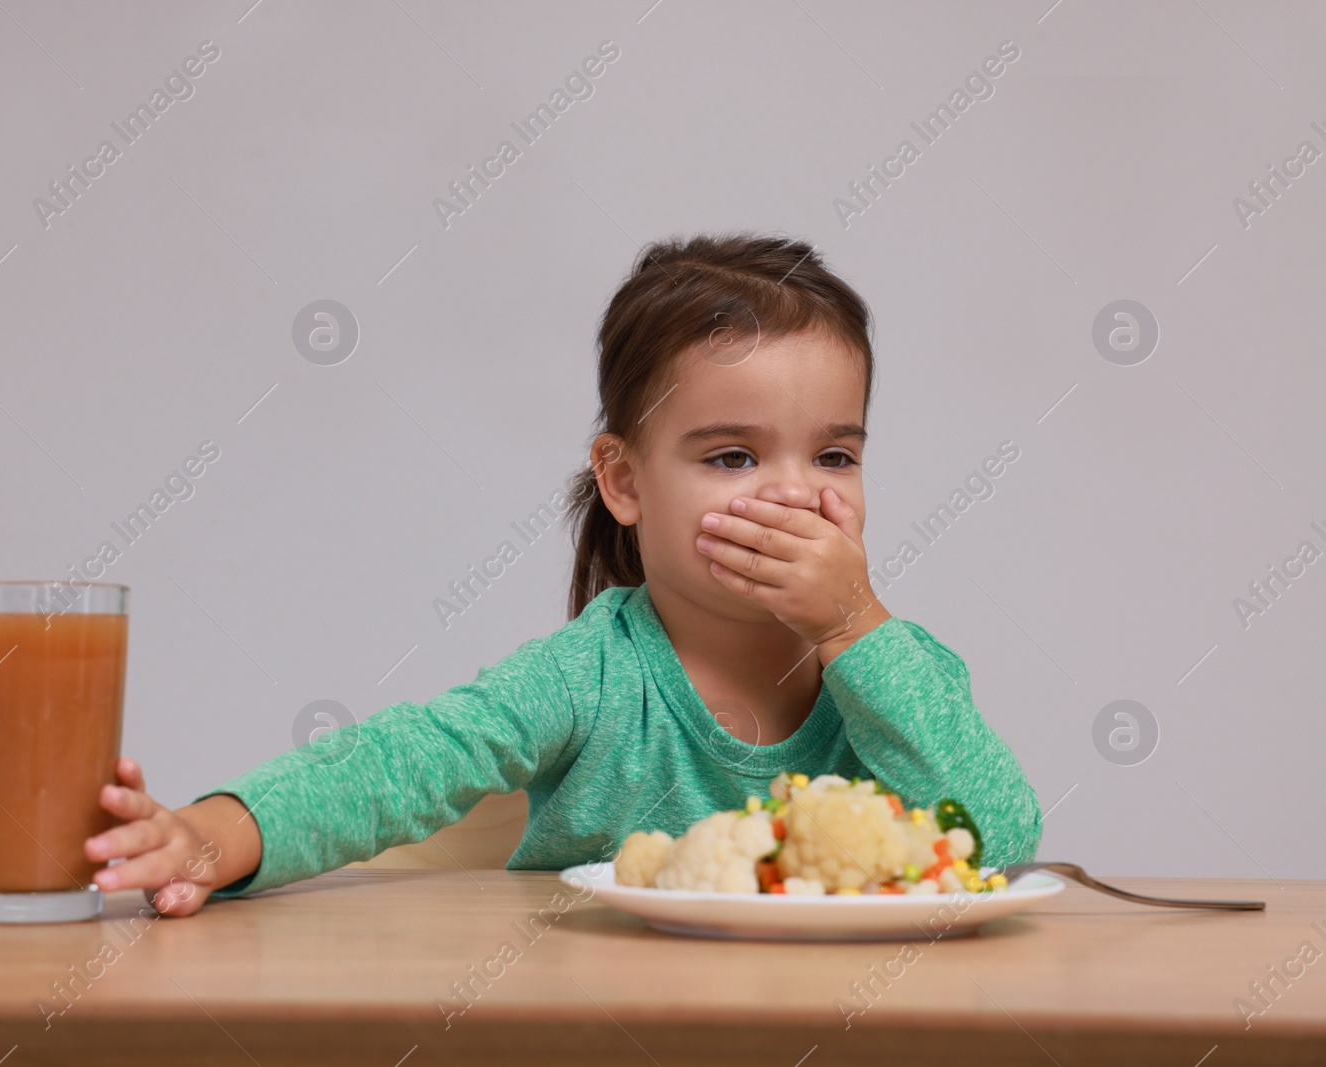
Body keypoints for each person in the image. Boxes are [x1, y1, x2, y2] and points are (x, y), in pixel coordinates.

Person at [84, 232, 1044, 915]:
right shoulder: (588, 678)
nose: (795, 496)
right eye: (732, 457)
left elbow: (999, 835)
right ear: (624, 481)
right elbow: (397, 766)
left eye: (834, 457)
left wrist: (852, 628)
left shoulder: (891, 666)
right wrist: (215, 832)